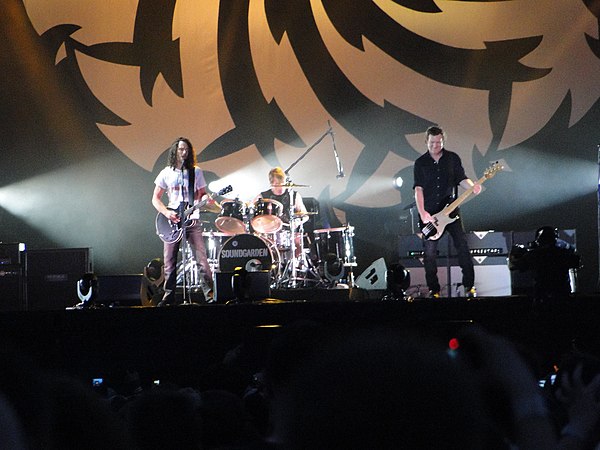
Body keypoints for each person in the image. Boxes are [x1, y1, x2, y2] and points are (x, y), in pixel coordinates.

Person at [413, 126, 481, 298]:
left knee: (462, 246)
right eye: (432, 142)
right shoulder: (420, 163)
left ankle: (469, 287)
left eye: (439, 142)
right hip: (430, 215)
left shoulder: (452, 158)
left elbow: (462, 179)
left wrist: (473, 187)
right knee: (429, 254)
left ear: (443, 140)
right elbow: (418, 190)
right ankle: (434, 290)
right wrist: (422, 213)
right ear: (426, 142)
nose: (436, 145)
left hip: (451, 212)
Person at [152, 137, 214, 305]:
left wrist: (206, 197)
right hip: (172, 220)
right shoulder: (166, 172)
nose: (184, 152)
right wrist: (166, 213)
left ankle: (210, 296)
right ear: (175, 151)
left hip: (192, 220)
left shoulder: (196, 171)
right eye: (181, 149)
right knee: (169, 261)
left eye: (186, 149)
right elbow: (155, 199)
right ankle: (168, 296)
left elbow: (202, 193)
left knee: (201, 259)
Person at [509, 226, 580, 301]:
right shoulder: (565, 253)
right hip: (562, 295)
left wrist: (513, 254)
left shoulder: (534, 255)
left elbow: (513, 266)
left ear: (539, 240)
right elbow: (576, 263)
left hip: (542, 296)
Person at [252, 167, 308, 258]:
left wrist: (297, 222)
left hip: (290, 234)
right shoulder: (263, 196)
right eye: (277, 184)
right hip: (269, 235)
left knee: (297, 245)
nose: (281, 187)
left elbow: (305, 215)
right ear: (271, 184)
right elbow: (252, 214)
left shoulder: (294, 195)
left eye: (283, 184)